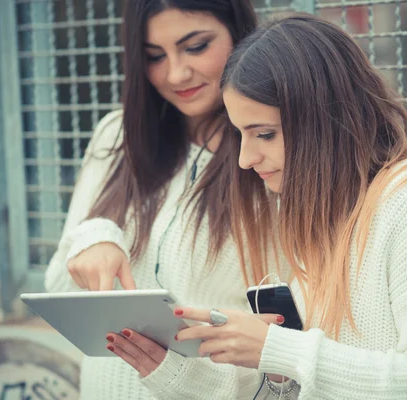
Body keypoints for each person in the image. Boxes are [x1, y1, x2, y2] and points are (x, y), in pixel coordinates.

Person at [165, 14, 407, 399]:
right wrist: (171, 367)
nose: (245, 159)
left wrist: (277, 348)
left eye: (265, 134)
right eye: (241, 134)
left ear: (322, 120)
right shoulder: (319, 211)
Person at [44, 1, 287, 399]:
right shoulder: (116, 138)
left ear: (239, 32)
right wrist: (95, 234)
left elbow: (286, 343)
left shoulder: (269, 152)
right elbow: (56, 290)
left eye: (195, 47)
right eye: (154, 56)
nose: (176, 73)